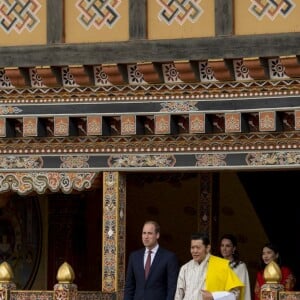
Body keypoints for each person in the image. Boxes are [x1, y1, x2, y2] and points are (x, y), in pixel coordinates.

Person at [174, 232, 244, 300]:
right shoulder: (185, 268)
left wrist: (214, 296)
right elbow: (178, 295)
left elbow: (235, 295)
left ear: (207, 248)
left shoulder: (221, 265)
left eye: (198, 248)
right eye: (192, 247)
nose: (194, 251)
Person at [124, 220, 179, 300]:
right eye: (144, 233)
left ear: (157, 235)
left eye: (149, 233)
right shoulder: (134, 256)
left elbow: (172, 287)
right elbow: (129, 286)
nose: (146, 237)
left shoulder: (169, 257)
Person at [219, 234, 251, 300]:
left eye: (227, 246)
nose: (224, 248)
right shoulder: (217, 265)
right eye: (222, 245)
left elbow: (243, 290)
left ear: (234, 248)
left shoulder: (240, 266)